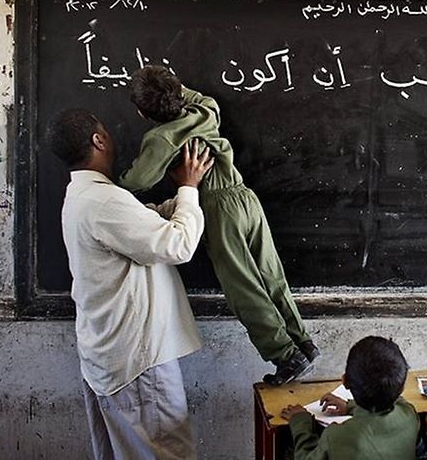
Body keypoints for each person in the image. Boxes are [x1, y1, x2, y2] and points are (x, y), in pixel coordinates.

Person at [118, 66, 318, 386]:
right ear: (179, 91)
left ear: (142, 112)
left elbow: (139, 180)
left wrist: (116, 182)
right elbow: (202, 97)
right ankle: (302, 342)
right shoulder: (204, 111)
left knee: (243, 288)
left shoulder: (159, 138)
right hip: (244, 197)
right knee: (270, 275)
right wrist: (177, 87)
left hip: (217, 207)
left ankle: (284, 354)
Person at [47, 108, 214, 460]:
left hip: (111, 354)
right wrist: (188, 187)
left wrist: (180, 203)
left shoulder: (83, 197)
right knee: (166, 453)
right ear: (98, 139)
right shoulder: (105, 200)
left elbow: (139, 224)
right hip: (137, 361)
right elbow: (177, 245)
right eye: (105, 129)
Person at [281, 336, 421, 460]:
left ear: (345, 381)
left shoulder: (338, 436)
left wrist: (301, 422)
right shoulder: (409, 415)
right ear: (402, 388)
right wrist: (349, 406)